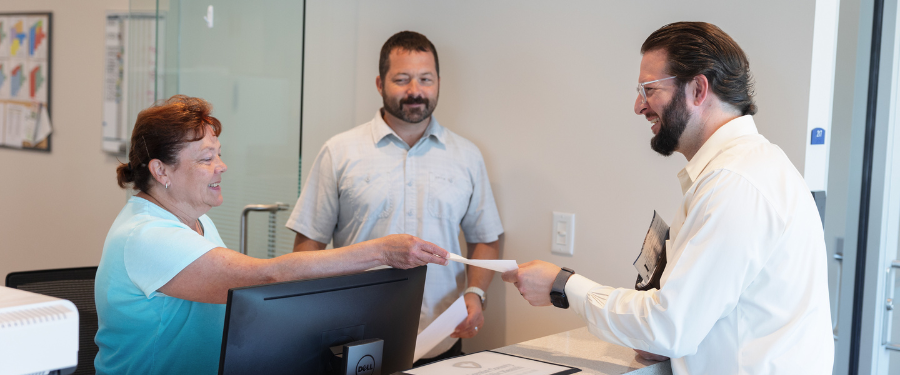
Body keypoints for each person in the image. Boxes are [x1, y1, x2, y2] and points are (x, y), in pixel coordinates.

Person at [502, 22, 833, 374]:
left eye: (649, 89)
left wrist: (564, 285)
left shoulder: (735, 184)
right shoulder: (749, 168)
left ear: (698, 88)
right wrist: (663, 338)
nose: (638, 106)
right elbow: (689, 319)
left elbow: (669, 326)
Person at [94, 95, 449, 375]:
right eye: (206, 159)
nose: (222, 167)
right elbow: (266, 278)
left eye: (219, 155)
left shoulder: (196, 221)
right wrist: (382, 252)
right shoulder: (146, 236)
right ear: (160, 170)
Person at [286, 31, 504, 365]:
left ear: (439, 82)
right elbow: (307, 245)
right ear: (380, 83)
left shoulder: (467, 156)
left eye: (425, 79)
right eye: (402, 79)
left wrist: (475, 293)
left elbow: (486, 238)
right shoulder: (339, 152)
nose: (415, 91)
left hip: (442, 340)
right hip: (354, 340)